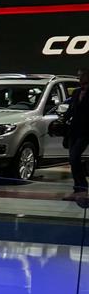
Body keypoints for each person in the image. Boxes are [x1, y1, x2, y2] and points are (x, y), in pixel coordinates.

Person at [61, 68, 89, 202]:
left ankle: (82, 188)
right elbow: (71, 110)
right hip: (74, 130)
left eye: (86, 83)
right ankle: (78, 189)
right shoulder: (76, 92)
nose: (83, 86)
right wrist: (62, 120)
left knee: (74, 157)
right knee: (73, 160)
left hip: (86, 132)